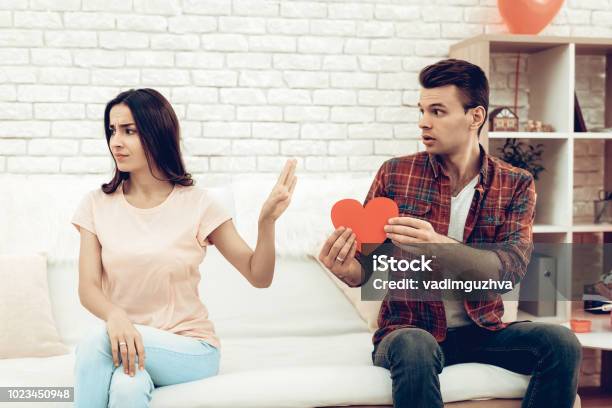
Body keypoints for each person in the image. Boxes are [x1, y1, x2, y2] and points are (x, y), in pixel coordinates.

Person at [318, 59, 581, 408]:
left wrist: (438, 246)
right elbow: (370, 271)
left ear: (475, 117)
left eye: (438, 111)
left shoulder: (515, 184)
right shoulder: (396, 174)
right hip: (409, 331)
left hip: (482, 331)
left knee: (561, 342)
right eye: (422, 110)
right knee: (415, 346)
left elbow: (508, 271)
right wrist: (345, 269)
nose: (423, 122)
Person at [71, 88, 297, 408]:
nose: (116, 142)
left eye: (129, 131)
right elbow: (88, 288)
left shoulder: (199, 204)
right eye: (112, 130)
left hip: (189, 348)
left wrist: (266, 222)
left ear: (157, 134)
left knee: (96, 343)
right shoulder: (95, 204)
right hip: (126, 344)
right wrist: (116, 316)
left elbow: (258, 275)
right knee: (126, 389)